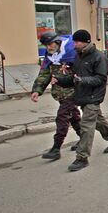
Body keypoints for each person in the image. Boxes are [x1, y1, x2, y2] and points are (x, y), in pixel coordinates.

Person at [56, 29, 108, 172]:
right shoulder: (79, 57)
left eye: (77, 41)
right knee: (98, 121)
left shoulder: (99, 58)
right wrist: (60, 81)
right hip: (83, 96)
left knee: (86, 126)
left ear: (85, 42)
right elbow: (74, 78)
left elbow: (100, 79)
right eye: (74, 41)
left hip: (94, 96)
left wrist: (82, 80)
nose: (74, 44)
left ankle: (82, 158)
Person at [31, 32, 81, 161]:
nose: (48, 48)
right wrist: (37, 90)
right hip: (60, 93)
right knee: (74, 118)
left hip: (72, 92)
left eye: (50, 44)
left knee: (62, 118)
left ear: (57, 42)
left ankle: (56, 148)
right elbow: (45, 73)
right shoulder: (50, 56)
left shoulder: (71, 53)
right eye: (46, 45)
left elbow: (80, 74)